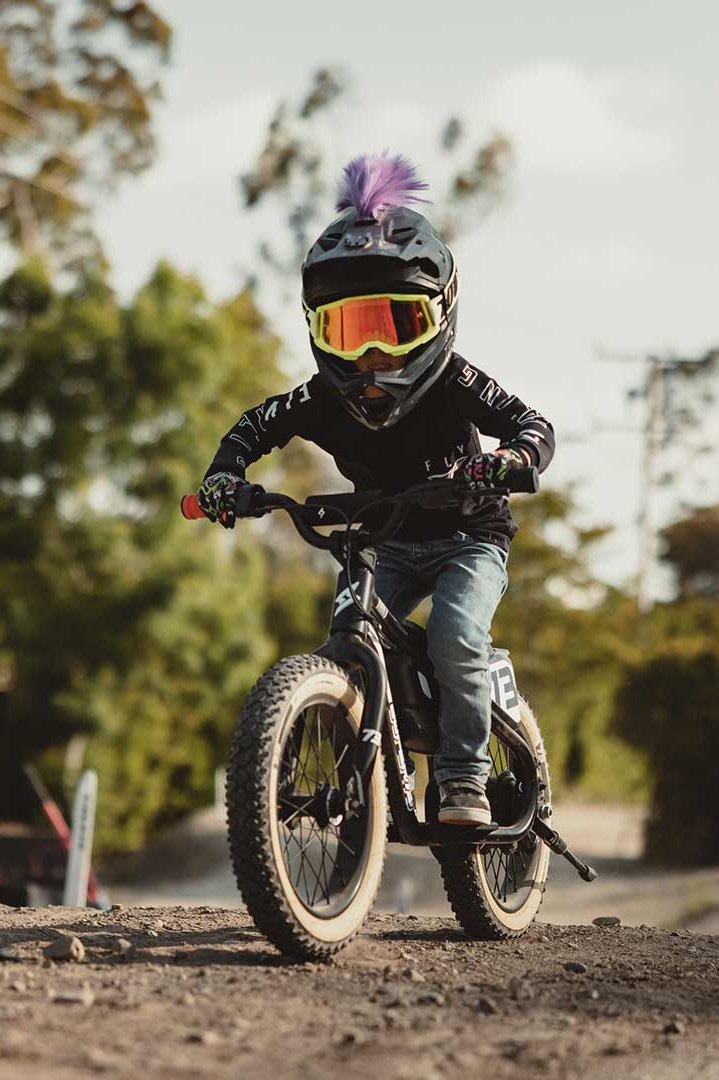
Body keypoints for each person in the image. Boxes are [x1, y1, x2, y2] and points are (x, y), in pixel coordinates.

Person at [197, 152, 554, 825]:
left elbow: (531, 424)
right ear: (317, 331)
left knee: (452, 634)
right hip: (385, 543)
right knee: (342, 646)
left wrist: (509, 459)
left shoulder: (455, 382)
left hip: (468, 539)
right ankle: (354, 797)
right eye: (348, 330)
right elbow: (252, 426)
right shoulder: (321, 399)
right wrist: (223, 477)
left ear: (437, 316)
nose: (370, 357)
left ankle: (464, 780)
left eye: (393, 328)